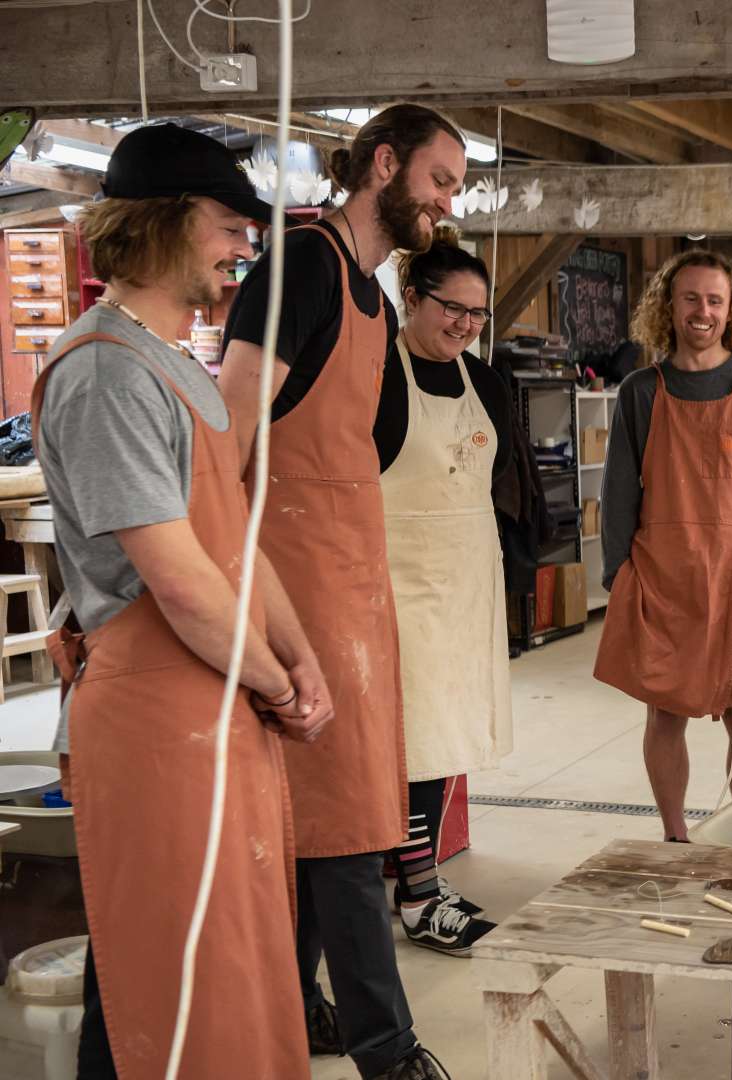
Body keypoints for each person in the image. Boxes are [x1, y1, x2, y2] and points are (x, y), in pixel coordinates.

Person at [32, 123, 333, 1078]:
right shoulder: (105, 372)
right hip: (160, 707)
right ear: (159, 223)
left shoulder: (175, 365)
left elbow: (235, 541)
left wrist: (301, 657)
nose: (248, 244)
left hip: (211, 697)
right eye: (229, 223)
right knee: (162, 975)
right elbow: (180, 577)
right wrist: (277, 684)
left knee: (224, 963)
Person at [218, 104, 465, 1080]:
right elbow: (227, 440)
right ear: (386, 164)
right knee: (349, 835)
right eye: (442, 179)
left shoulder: (372, 295)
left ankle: (297, 1006)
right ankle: (388, 1053)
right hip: (294, 583)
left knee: (340, 819)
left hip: (351, 582)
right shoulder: (304, 266)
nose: (450, 202)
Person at [595, 249, 732, 843]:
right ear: (669, 305)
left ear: (731, 309)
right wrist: (619, 573)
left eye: (714, 299)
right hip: (665, 575)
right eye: (690, 298)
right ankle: (674, 834)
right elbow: (616, 489)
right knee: (666, 708)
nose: (702, 311)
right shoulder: (641, 390)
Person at [380, 233, 512, 955]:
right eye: (451, 308)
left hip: (463, 580)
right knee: (414, 747)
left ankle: (418, 878)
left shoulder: (483, 382)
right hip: (396, 582)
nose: (464, 325)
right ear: (412, 299)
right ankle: (418, 895)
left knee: (445, 739)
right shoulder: (375, 376)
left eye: (478, 314)